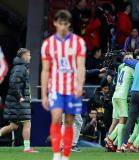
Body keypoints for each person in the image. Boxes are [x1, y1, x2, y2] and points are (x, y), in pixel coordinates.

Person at [41, 10, 86, 160]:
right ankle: (56, 154)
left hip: (72, 88)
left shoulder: (78, 42)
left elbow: (81, 66)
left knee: (69, 121)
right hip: (56, 88)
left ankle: (65, 156)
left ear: (69, 24)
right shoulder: (48, 44)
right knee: (56, 117)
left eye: (65, 24)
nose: (62, 27)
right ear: (55, 23)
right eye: (60, 23)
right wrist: (43, 94)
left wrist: (80, 86)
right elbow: (45, 70)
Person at [0, 48, 37, 153]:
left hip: (17, 101)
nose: (30, 57)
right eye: (29, 55)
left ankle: (27, 147)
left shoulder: (21, 67)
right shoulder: (20, 68)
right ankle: (27, 147)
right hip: (19, 101)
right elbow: (13, 83)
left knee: (13, 126)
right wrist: (20, 97)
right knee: (27, 123)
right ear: (24, 56)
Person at [105, 53, 134, 152]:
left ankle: (111, 143)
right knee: (123, 120)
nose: (130, 60)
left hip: (116, 95)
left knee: (116, 121)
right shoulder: (131, 69)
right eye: (128, 58)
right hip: (122, 96)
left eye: (131, 58)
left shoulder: (122, 67)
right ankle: (115, 143)